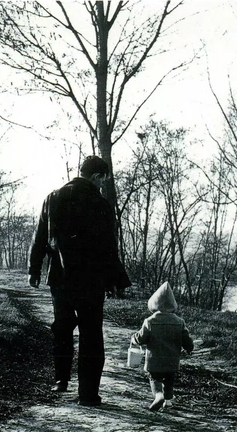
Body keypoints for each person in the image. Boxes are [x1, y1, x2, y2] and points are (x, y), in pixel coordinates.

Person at [29, 155, 131, 406]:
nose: (103, 184)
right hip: (91, 279)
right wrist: (115, 280)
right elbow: (109, 246)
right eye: (103, 179)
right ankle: (87, 394)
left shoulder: (52, 198)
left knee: (62, 327)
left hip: (60, 277)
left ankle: (61, 380)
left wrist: (34, 270)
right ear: (97, 176)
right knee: (91, 334)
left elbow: (39, 236)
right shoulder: (99, 202)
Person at [131, 281, 194, 411]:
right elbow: (186, 340)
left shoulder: (150, 321)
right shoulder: (179, 322)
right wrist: (189, 348)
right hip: (172, 359)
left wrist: (134, 339)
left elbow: (142, 338)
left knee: (155, 378)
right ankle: (168, 401)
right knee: (169, 379)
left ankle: (158, 395)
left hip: (155, 359)